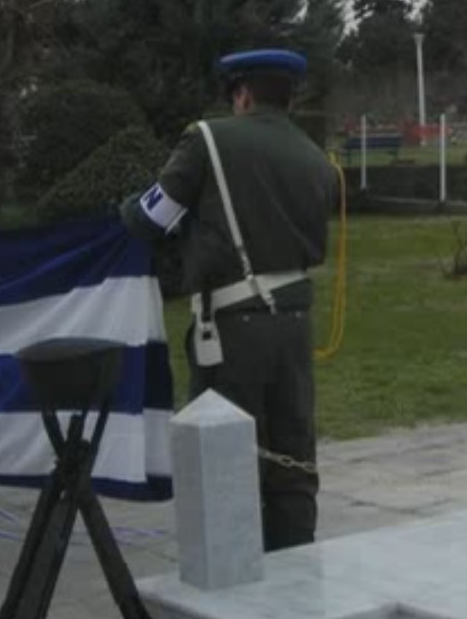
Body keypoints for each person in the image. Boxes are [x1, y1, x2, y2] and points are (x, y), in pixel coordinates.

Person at [121, 48, 338, 551]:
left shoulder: (209, 139)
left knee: (225, 460)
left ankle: (232, 582)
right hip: (294, 323)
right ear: (287, 97)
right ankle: (297, 575)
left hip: (233, 328)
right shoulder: (314, 156)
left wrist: (123, 214)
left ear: (241, 94)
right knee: (293, 458)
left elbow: (152, 217)